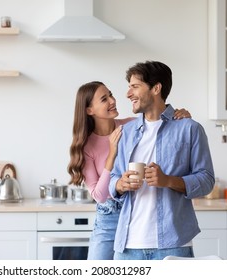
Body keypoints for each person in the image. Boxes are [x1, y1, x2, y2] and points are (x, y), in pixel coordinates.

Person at [67, 81, 191, 260]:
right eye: (104, 99)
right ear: (89, 110)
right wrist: (112, 153)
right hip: (108, 218)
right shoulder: (86, 146)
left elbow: (163, 126)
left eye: (110, 94)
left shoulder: (132, 125)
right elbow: (100, 196)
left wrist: (180, 116)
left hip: (135, 210)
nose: (112, 100)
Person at [109, 61, 215, 260]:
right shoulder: (127, 132)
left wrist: (168, 181)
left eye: (135, 86)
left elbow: (207, 180)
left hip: (173, 245)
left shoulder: (189, 128)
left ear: (156, 88)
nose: (128, 94)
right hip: (127, 247)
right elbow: (114, 177)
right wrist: (120, 184)